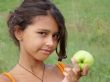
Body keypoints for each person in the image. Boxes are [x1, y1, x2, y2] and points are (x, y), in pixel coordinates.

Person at [0, 0, 88, 82]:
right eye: (42, 33)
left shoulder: (65, 72)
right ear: (19, 32)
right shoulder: (6, 80)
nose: (51, 43)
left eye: (55, 35)